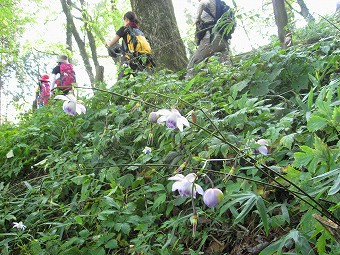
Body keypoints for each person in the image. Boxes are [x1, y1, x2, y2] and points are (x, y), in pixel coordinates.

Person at [186, 0, 231, 80]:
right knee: (226, 65)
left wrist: (197, 18)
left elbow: (203, 3)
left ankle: (188, 85)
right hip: (223, 39)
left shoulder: (207, 1)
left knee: (193, 63)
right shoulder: (219, 4)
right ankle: (230, 81)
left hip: (211, 39)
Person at [106, 11, 155, 80]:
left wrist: (107, 43)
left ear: (126, 19)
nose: (124, 22)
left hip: (129, 58)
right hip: (143, 58)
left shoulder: (124, 29)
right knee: (141, 81)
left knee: (121, 82)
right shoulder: (139, 31)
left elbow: (111, 43)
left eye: (124, 20)